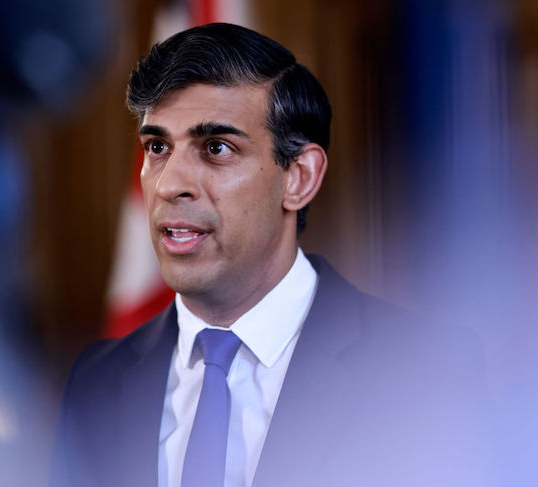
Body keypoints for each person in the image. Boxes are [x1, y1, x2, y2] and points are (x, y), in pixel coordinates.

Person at [50, 23, 492, 487]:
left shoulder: (426, 373)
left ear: (299, 177)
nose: (168, 184)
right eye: (157, 147)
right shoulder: (95, 384)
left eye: (216, 148)